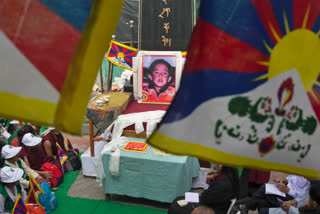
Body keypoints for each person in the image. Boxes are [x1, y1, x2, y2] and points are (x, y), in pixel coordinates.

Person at [168, 164, 239, 214]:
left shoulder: (222, 184)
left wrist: (204, 192)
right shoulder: (230, 177)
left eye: (215, 162)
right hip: (218, 205)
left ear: (221, 165)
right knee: (179, 198)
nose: (214, 165)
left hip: (213, 209)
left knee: (176, 205)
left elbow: (204, 199)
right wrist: (209, 180)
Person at [240, 175, 310, 214]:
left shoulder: (313, 183)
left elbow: (302, 198)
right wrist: (285, 180)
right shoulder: (303, 167)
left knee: (264, 189)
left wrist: (288, 191)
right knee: (262, 202)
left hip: (291, 197)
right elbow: (292, 178)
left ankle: (246, 206)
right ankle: (246, 206)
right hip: (285, 188)